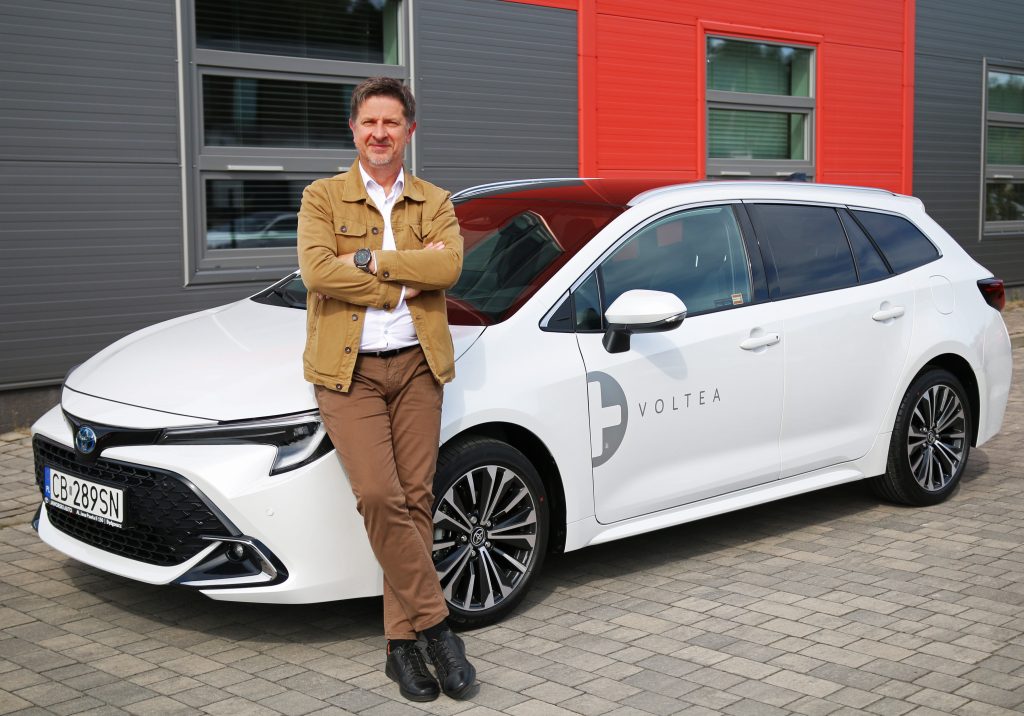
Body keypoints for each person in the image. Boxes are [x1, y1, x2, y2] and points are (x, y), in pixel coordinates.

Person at [297, 77, 474, 702]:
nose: (380, 133)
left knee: (417, 499)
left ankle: (402, 648)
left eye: (391, 123)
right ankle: (439, 629)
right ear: (354, 129)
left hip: (418, 366)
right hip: (350, 373)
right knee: (379, 494)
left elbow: (449, 266)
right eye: (369, 122)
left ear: (409, 131)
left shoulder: (435, 200)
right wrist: (405, 279)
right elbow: (317, 271)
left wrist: (372, 262)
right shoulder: (322, 197)